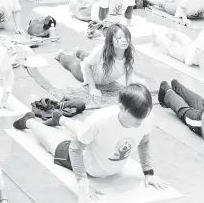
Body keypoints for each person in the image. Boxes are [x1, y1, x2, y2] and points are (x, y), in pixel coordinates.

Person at [12, 83, 169, 202]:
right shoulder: (99, 121)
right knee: (52, 143)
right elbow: (74, 149)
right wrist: (82, 181)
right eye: (135, 119)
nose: (140, 123)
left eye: (143, 118)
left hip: (99, 147)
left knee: (88, 132)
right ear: (121, 108)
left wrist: (148, 172)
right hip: (87, 164)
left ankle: (59, 118)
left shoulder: (145, 117)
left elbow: (144, 142)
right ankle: (30, 122)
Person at [55, 24, 135, 97]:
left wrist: (128, 88)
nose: (124, 40)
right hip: (86, 72)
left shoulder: (129, 52)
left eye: (126, 37)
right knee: (73, 63)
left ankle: (79, 52)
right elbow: (87, 66)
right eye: (119, 38)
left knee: (92, 58)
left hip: (99, 68)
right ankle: (61, 55)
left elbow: (129, 69)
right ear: (110, 40)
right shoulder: (101, 50)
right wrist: (92, 88)